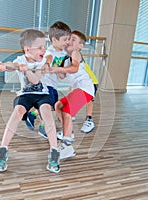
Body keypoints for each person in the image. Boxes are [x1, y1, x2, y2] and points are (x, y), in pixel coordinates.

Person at [0, 29, 60, 173]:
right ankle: (3, 150)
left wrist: (27, 71)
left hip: (42, 94)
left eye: (44, 46)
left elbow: (35, 80)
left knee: (47, 114)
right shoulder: (21, 60)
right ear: (27, 49)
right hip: (26, 94)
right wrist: (3, 66)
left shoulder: (43, 61)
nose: (44, 49)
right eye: (40, 47)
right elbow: (12, 65)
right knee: (17, 112)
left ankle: (54, 152)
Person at [51, 30, 95, 160]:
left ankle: (67, 145)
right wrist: (52, 68)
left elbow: (75, 68)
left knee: (67, 110)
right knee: (58, 105)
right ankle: (69, 133)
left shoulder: (76, 53)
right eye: (69, 38)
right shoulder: (65, 58)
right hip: (78, 89)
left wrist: (58, 68)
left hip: (85, 88)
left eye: (74, 39)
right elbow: (62, 75)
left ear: (80, 46)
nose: (70, 41)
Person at [25, 21, 71, 139]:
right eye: (65, 39)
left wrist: (61, 70)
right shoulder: (48, 51)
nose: (67, 42)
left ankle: (32, 114)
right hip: (45, 84)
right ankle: (43, 128)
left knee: (51, 106)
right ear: (54, 40)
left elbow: (61, 76)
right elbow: (48, 59)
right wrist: (47, 64)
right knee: (48, 107)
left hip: (54, 85)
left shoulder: (65, 55)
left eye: (68, 39)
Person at [80, 63, 99, 133]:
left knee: (89, 100)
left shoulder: (76, 57)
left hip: (91, 82)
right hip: (81, 82)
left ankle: (89, 120)